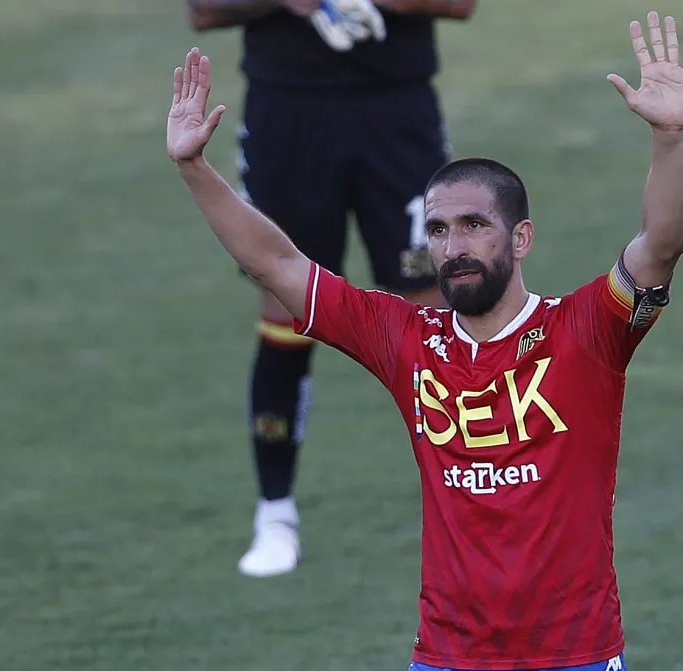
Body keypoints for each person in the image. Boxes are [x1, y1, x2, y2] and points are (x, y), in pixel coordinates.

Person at [167, 8, 683, 671]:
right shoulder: (406, 341)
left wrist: (670, 138)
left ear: (522, 238)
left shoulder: (585, 330)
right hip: (448, 664)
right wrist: (195, 170)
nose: (455, 245)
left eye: (476, 224)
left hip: (578, 660)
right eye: (441, 229)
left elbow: (661, 246)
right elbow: (279, 265)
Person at [184, 0, 477, 578]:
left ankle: (472, 508)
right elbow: (203, 11)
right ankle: (275, 513)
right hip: (288, 114)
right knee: (288, 305)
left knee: (434, 309)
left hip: (398, 110)